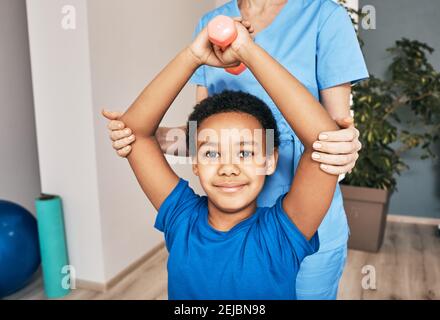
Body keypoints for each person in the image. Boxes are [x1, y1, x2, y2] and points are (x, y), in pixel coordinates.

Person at [103, 0, 369, 299]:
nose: (228, 166)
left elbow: (326, 142)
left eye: (244, 152)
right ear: (197, 160)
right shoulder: (184, 222)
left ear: (269, 159)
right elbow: (196, 131)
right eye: (212, 153)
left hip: (305, 210)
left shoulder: (281, 236)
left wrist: (249, 52)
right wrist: (193, 56)